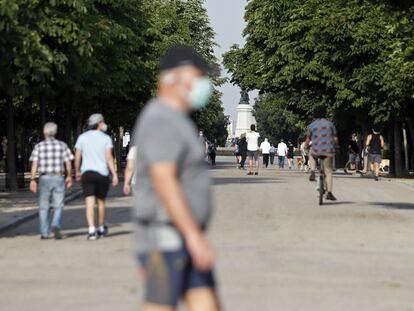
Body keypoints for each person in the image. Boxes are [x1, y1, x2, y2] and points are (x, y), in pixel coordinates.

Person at [132, 45, 220, 311]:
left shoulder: (175, 119)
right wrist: (193, 236)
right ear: (176, 79)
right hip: (166, 236)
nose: (204, 85)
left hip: (181, 234)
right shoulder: (162, 120)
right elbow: (164, 179)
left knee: (206, 303)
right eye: (199, 77)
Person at [75, 114, 119, 240]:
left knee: (89, 202)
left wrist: (77, 171)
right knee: (101, 202)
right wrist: (114, 174)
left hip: (87, 173)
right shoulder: (106, 138)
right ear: (99, 123)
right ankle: (101, 227)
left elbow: (77, 156)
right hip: (102, 173)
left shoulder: (82, 138)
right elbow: (109, 158)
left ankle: (91, 230)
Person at [29, 122, 74, 240]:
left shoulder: (39, 146)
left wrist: (32, 179)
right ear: (55, 132)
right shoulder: (62, 145)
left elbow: (35, 164)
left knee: (44, 207)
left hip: (44, 178)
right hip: (59, 177)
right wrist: (69, 176)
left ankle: (45, 233)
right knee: (58, 205)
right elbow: (68, 162)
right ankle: (56, 224)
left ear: (44, 133)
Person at [306, 107, 339, 201]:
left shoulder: (311, 126)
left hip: (316, 150)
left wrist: (306, 146)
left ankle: (312, 171)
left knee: (311, 153)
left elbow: (308, 139)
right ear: (325, 114)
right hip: (328, 150)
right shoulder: (330, 124)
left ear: (314, 115)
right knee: (328, 171)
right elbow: (335, 138)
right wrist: (337, 147)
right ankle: (329, 193)